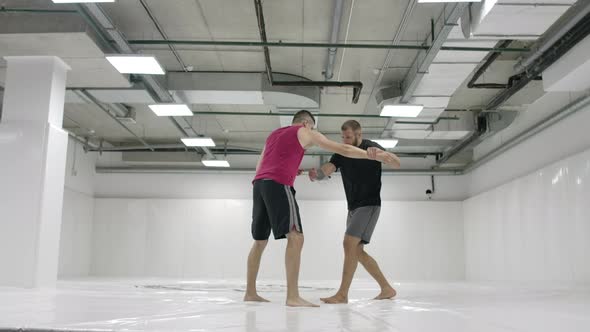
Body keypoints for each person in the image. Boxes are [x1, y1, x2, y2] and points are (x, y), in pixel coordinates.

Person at [244, 111, 399, 307]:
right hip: (278, 184)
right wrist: (367, 155)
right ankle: (293, 296)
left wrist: (288, 173)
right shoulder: (305, 130)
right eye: (313, 127)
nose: (313, 131)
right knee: (296, 236)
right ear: (307, 123)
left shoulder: (274, 134)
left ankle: (250, 292)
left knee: (259, 241)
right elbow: (343, 149)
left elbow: (262, 165)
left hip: (259, 185)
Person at [308, 120, 400, 304]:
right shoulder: (343, 151)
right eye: (343, 137)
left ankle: (342, 294)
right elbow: (330, 167)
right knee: (356, 251)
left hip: (369, 204)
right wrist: (317, 174)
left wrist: (379, 155)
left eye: (348, 137)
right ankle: (387, 288)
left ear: (359, 134)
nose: (345, 140)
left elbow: (396, 162)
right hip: (353, 207)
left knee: (348, 244)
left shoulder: (370, 147)